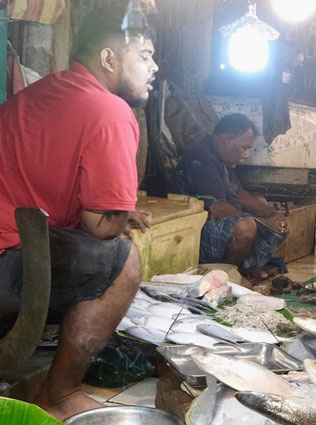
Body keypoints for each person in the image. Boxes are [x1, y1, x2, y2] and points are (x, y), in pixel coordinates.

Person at [0, 6, 157, 420]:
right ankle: (60, 392)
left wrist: (122, 209)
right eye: (144, 55)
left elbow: (45, 184)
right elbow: (100, 226)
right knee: (123, 261)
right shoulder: (110, 111)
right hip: (6, 266)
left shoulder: (36, 94)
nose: (154, 67)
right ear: (109, 59)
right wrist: (119, 214)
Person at [174, 114, 287, 270]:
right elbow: (217, 208)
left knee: (260, 203)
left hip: (212, 226)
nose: (246, 155)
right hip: (191, 234)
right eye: (244, 148)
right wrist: (262, 222)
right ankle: (227, 274)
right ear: (228, 140)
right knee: (245, 227)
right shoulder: (202, 160)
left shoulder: (220, 157)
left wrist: (271, 212)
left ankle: (246, 269)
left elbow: (238, 193)